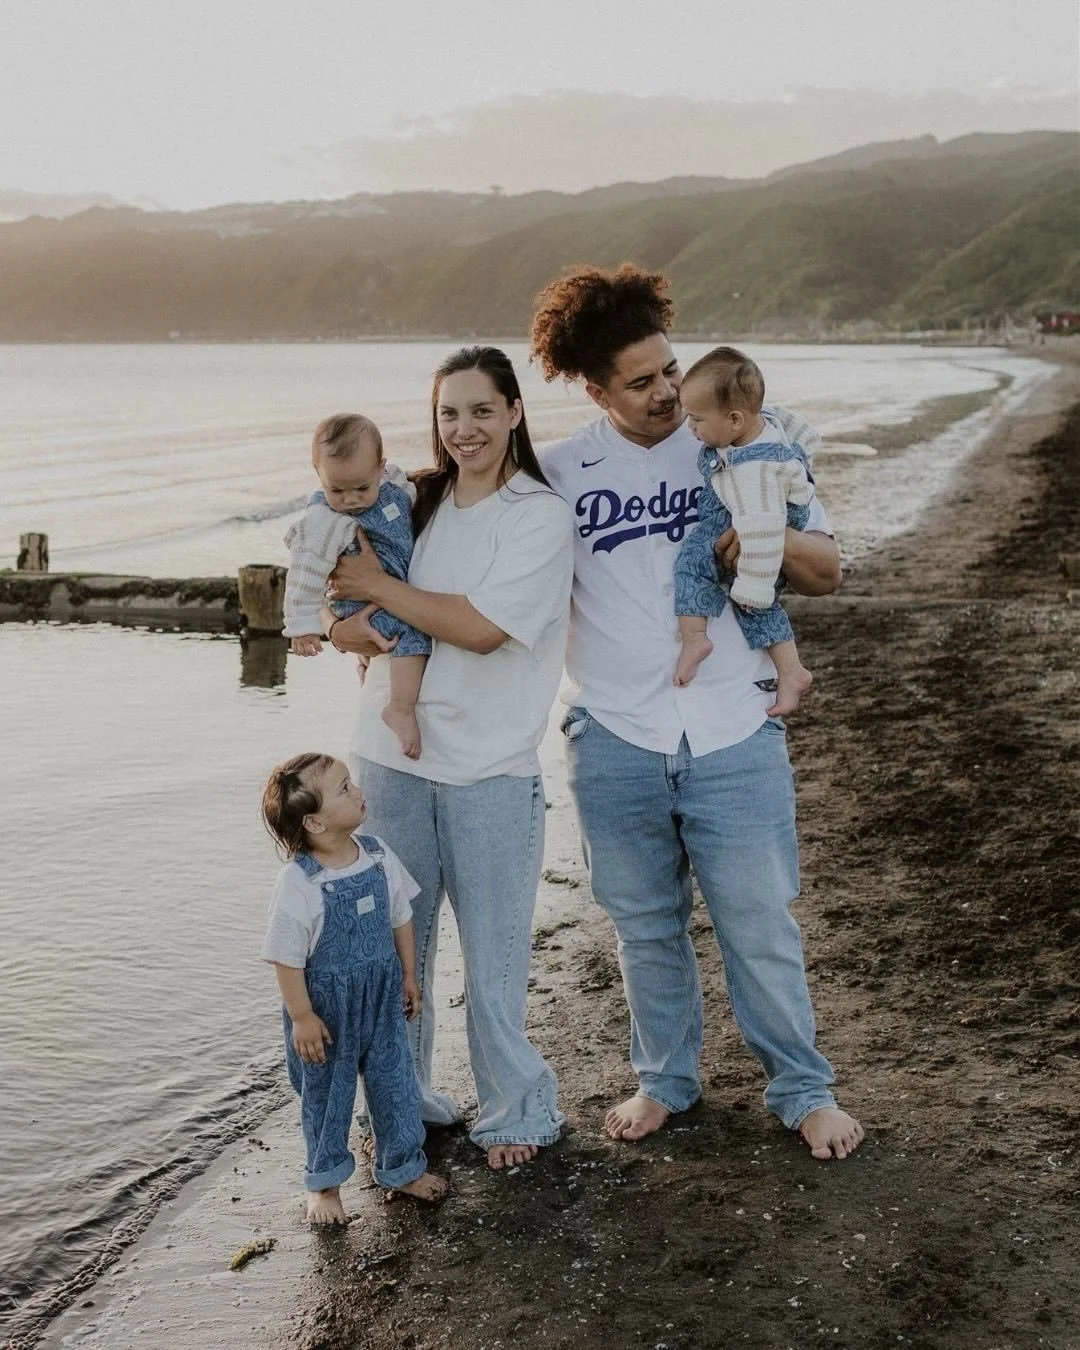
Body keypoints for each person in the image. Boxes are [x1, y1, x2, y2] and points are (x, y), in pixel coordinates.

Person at [531, 264, 863, 1161]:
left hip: (734, 727)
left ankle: (803, 1091)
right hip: (613, 735)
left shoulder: (740, 443)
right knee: (644, 928)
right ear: (594, 389)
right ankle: (665, 1082)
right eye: (640, 383)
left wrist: (764, 536)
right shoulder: (556, 474)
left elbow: (828, 570)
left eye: (670, 370)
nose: (668, 393)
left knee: (758, 921)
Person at [320, 346, 574, 1171]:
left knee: (494, 954)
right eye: (447, 414)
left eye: (479, 411)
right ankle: (406, 1101)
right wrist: (343, 622)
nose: (462, 430)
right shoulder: (411, 504)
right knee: (399, 951)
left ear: (514, 413)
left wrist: (384, 596)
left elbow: (481, 627)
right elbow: (343, 603)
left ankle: (515, 1109)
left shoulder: (539, 515)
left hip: (490, 768)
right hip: (391, 760)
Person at [260, 752, 448, 1224]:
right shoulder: (301, 881)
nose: (358, 791)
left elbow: (401, 917)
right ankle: (323, 1185)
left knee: (396, 1085)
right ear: (315, 823)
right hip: (326, 1013)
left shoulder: (378, 854)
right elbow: (285, 957)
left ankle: (402, 1166)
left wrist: (409, 975)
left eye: (352, 782)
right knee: (326, 1099)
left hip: (382, 997)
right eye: (344, 789)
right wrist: (302, 1017)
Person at [673, 345, 814, 715]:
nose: (690, 427)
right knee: (759, 608)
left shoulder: (754, 474)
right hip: (754, 516)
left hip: (753, 526)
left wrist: (753, 582)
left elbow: (764, 529)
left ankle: (695, 638)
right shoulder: (762, 425)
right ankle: (791, 669)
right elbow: (797, 431)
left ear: (735, 420)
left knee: (693, 565)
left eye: (697, 420)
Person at [283, 414, 432, 760]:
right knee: (412, 634)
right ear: (317, 474)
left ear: (381, 468)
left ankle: (367, 665)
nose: (350, 500)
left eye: (362, 488)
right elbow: (304, 574)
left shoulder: (390, 484)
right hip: (361, 603)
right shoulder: (322, 520)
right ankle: (401, 707)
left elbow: (403, 489)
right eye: (336, 490)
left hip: (387, 589)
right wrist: (303, 626)